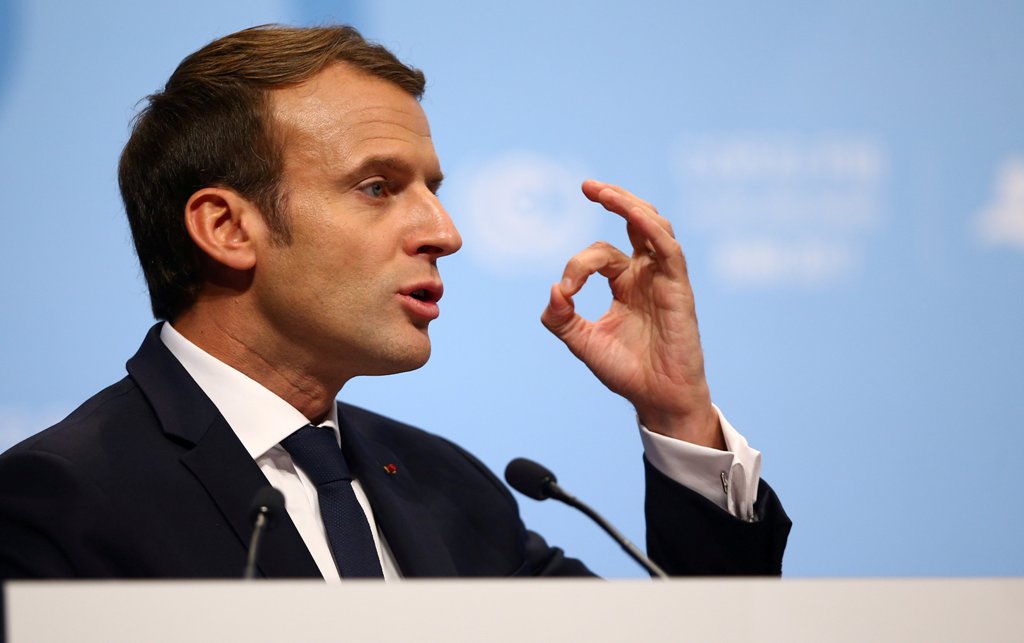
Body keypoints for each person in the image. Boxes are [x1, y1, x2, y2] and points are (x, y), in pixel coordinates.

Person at [0, 25, 789, 584]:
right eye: (377, 187)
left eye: (433, 191)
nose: (444, 234)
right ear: (225, 227)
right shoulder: (60, 501)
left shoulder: (447, 486)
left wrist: (680, 416)